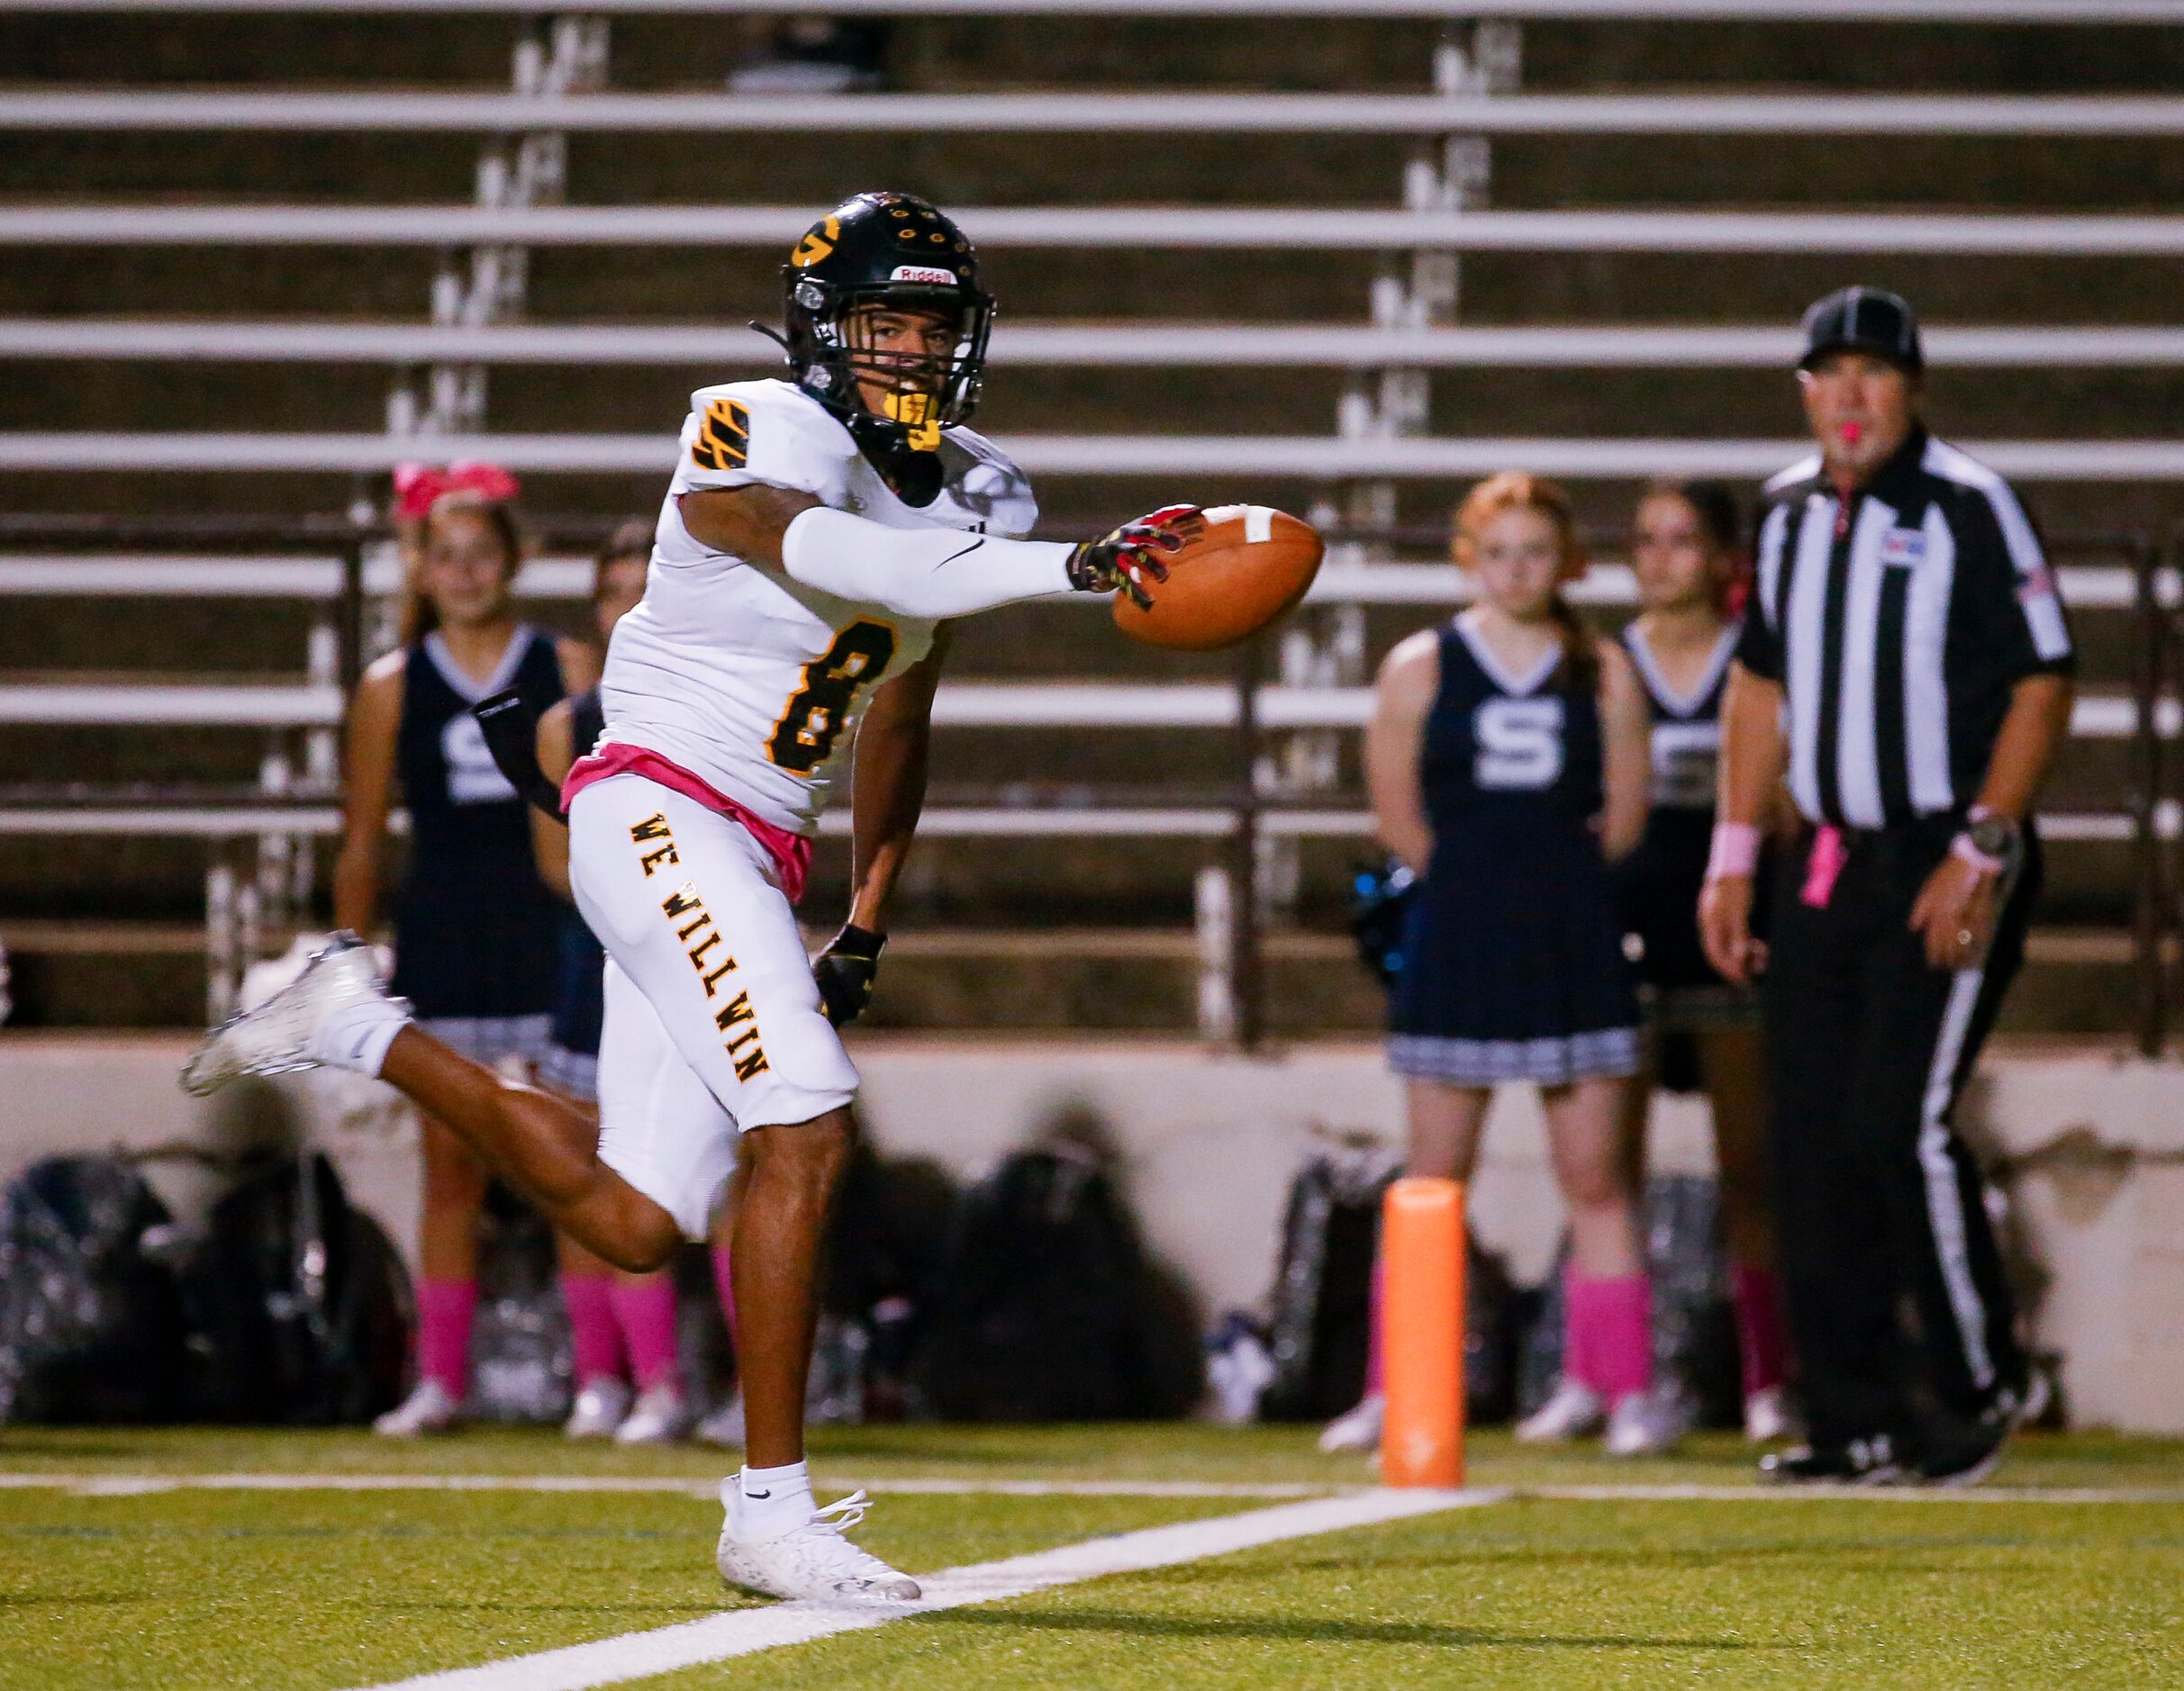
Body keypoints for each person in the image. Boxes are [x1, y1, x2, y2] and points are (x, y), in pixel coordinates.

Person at [185, 189, 1194, 1602]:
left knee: (641, 1218)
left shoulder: (980, 492)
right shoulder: (751, 424)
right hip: (655, 799)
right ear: (821, 332)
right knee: (810, 1119)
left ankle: (355, 1025)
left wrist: (871, 913)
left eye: (932, 326)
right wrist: (1065, 571)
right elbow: (811, 545)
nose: (907, 353)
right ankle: (768, 1511)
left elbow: (901, 712)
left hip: (760, 846)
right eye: (882, 323)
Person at [1700, 285, 2074, 1486]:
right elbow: (1758, 687)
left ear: (1911, 388)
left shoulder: (1971, 505)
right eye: (1829, 373)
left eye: (1873, 372)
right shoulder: (1787, 515)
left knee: (1897, 1125)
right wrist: (1731, 852)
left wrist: (1984, 841)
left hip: (1943, 851)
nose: (1850, 394)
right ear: (1804, 390)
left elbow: (2040, 678)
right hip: (1831, 859)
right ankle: (1850, 1412)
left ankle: (1976, 1385)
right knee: (1805, 1137)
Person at [1356, 471, 1683, 1458]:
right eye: (1498, 552)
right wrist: (1473, 888)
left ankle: (1622, 1389)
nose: (1516, 570)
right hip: (1456, 941)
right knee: (1431, 1181)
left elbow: (1624, 817)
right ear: (1469, 559)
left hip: (1571, 938)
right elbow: (1397, 813)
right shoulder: (1419, 665)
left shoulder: (1606, 668)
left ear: (1567, 562)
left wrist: (1547, 886)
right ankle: (1392, 1389)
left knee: (1595, 1179)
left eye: (1536, 552)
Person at [331, 484, 595, 1437]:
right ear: (422, 568)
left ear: (512, 561)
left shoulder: (562, 662)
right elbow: (361, 835)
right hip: (444, 933)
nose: (466, 572)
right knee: (450, 1168)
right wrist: (348, 958)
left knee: (571, 1156)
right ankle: (439, 1380)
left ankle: (601, 1379)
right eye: (447, 555)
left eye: (482, 553)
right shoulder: (390, 684)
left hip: (549, 930)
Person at [1616, 481, 1790, 1444]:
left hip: (1732, 925)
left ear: (1725, 558)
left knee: (1749, 1170)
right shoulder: (1604, 662)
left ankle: (1769, 1376)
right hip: (1631, 922)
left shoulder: (1753, 663)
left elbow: (1786, 802)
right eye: (1646, 540)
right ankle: (1626, 1380)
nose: (1661, 558)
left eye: (1683, 540)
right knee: (1612, 1174)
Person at [533, 520, 693, 1445]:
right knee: (583, 1176)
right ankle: (605, 1379)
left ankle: (679, 1383)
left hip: (693, 963)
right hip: (596, 966)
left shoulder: (714, 704)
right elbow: (556, 862)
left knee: (708, 1183)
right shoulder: (570, 722)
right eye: (611, 590)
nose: (627, 605)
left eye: (644, 585)